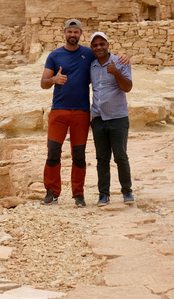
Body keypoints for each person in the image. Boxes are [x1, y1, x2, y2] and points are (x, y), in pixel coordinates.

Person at [40, 19, 128, 207]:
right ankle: (52, 191)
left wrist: (124, 58)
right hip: (58, 111)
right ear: (64, 32)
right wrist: (54, 79)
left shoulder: (88, 54)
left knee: (79, 155)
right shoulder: (54, 56)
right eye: (70, 32)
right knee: (53, 152)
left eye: (76, 32)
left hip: (81, 112)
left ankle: (78, 194)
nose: (73, 35)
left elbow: (106, 55)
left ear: (81, 34)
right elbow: (43, 82)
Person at [89, 31, 134, 207]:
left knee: (121, 156)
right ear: (92, 48)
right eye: (95, 45)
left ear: (108, 45)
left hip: (117, 117)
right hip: (98, 118)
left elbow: (127, 87)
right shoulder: (91, 66)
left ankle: (127, 191)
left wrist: (116, 72)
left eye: (102, 44)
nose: (99, 47)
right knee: (102, 158)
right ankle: (103, 194)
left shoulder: (120, 62)